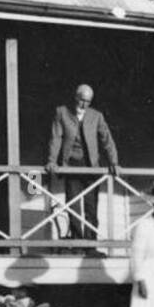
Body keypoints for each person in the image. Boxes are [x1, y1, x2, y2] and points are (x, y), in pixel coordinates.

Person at [45, 84, 120, 247]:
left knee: (91, 207)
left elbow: (107, 139)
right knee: (73, 205)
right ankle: (78, 243)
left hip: (91, 167)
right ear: (75, 97)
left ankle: (91, 244)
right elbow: (56, 138)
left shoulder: (96, 116)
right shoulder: (62, 112)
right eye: (82, 100)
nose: (84, 104)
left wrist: (114, 162)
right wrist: (51, 160)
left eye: (88, 101)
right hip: (71, 165)